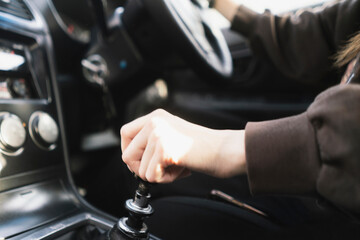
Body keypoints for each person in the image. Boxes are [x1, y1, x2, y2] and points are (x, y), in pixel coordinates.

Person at [120, 0, 360, 218]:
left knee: (166, 218)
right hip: (320, 184)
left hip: (341, 213)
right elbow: (314, 36)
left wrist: (220, 148)